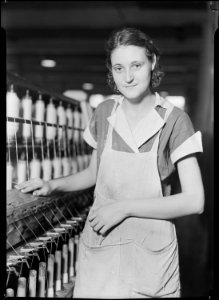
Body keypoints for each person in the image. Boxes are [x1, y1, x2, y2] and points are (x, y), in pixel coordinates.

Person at [15, 27, 204, 298]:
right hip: (102, 249)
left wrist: (123, 208)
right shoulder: (104, 113)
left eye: (136, 65)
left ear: (152, 62)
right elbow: (94, 172)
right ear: (111, 71)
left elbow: (195, 201)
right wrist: (51, 183)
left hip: (150, 257)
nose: (127, 77)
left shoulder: (175, 121)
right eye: (118, 68)